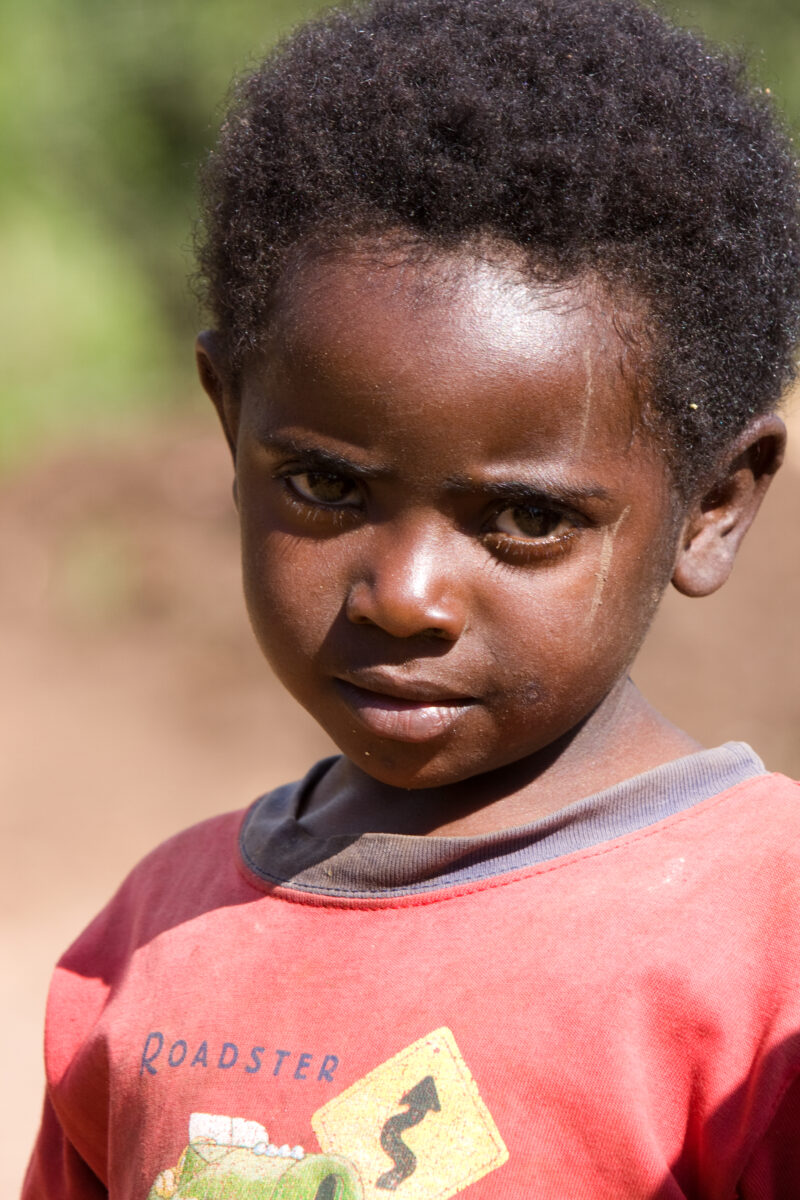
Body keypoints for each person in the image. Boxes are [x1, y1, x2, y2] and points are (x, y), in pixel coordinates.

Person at [22, 0, 800, 1196]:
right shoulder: (149, 935)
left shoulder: (765, 945)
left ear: (711, 508)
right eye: (327, 484)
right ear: (231, 425)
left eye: (527, 520)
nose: (404, 596)